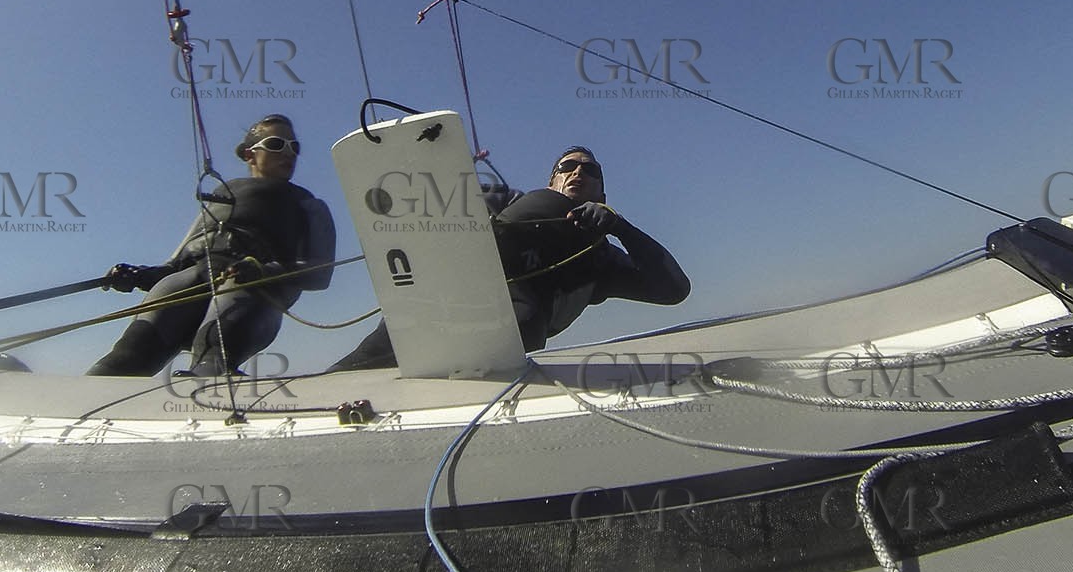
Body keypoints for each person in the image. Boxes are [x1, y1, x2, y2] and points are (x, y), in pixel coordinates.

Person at [327, 146, 688, 371]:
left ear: (602, 192)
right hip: (429, 318)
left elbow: (674, 289)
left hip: (505, 347)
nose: (578, 171)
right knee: (352, 370)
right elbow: (419, 204)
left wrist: (620, 226)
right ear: (553, 181)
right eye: (567, 167)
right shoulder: (508, 202)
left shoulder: (601, 259)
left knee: (525, 315)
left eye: (590, 170)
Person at [87, 115, 335, 377]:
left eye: (294, 147)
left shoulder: (308, 205)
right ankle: (90, 393)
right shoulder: (221, 195)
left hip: (251, 289)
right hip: (193, 277)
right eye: (276, 144)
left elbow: (320, 273)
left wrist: (263, 272)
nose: (288, 152)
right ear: (250, 154)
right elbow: (176, 263)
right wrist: (140, 275)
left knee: (214, 354)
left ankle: (208, 378)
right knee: (130, 354)